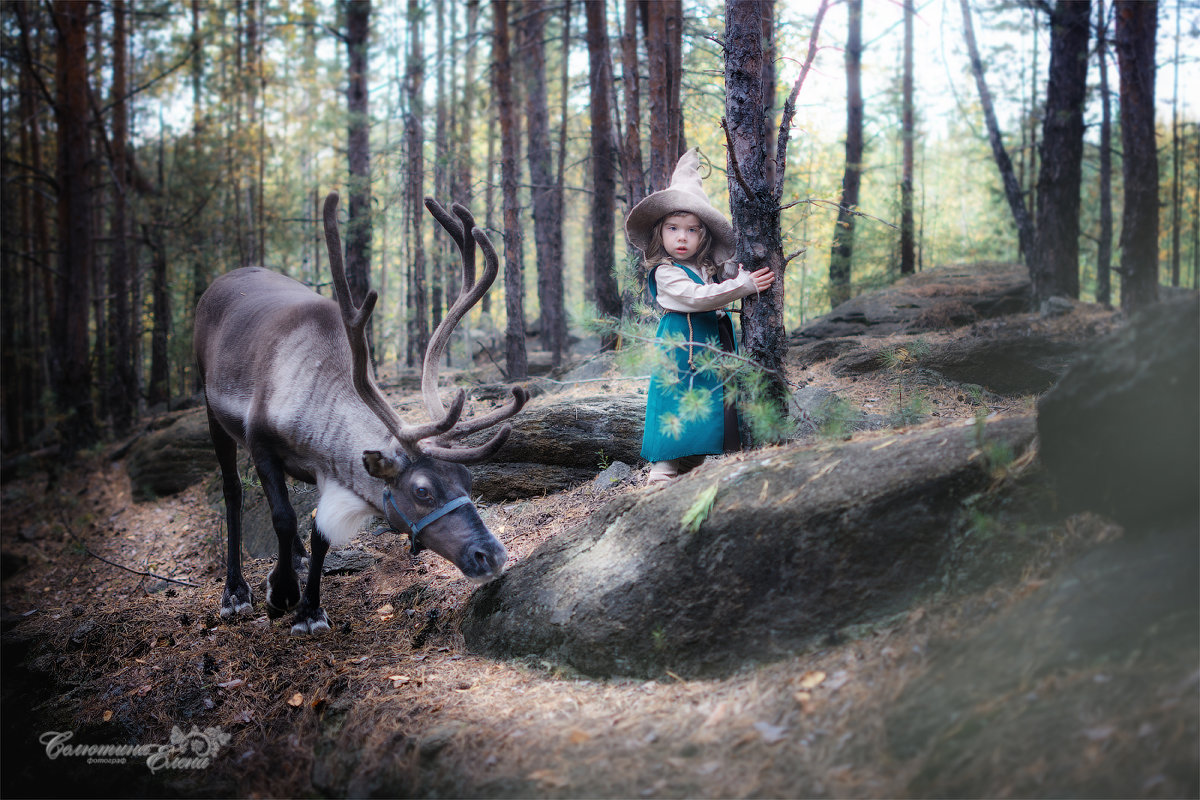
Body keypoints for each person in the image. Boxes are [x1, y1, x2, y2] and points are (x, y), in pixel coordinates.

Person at [624, 148, 775, 485]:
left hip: (709, 344)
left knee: (711, 398)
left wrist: (736, 276)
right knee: (675, 400)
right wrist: (742, 287)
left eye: (692, 230)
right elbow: (695, 297)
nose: (681, 236)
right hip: (681, 346)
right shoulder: (665, 271)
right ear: (660, 234)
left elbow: (715, 285)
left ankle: (693, 462)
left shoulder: (705, 267)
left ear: (703, 235)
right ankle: (662, 472)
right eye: (673, 228)